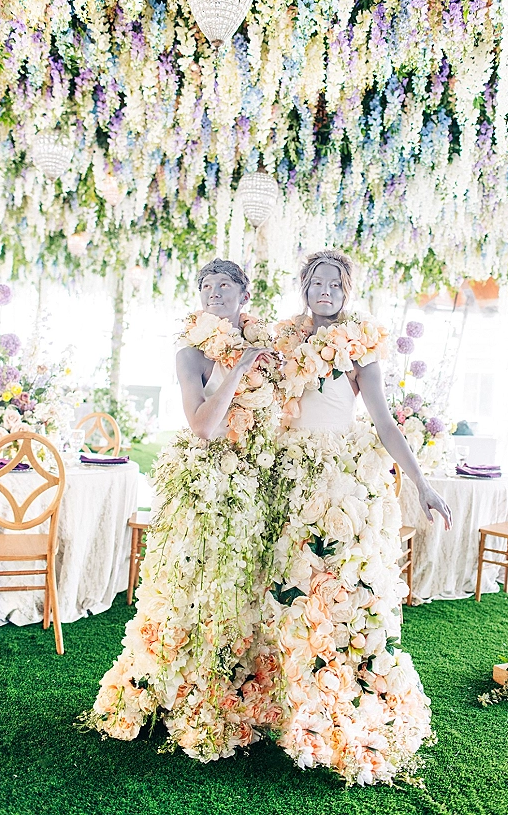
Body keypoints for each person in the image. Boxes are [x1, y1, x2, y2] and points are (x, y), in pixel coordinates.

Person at [82, 259, 284, 760]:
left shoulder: (268, 344)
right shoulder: (190, 352)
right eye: (205, 286)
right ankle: (178, 689)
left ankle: (238, 693)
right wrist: (238, 367)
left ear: (244, 294)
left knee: (244, 586)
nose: (213, 292)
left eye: (223, 285)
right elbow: (203, 426)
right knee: (196, 588)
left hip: (255, 478)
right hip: (208, 480)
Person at [267, 249, 452, 786]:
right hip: (287, 471)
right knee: (287, 588)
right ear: (303, 286)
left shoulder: (361, 344)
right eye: (315, 282)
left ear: (347, 291)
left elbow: (385, 422)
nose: (324, 291)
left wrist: (421, 482)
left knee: (339, 590)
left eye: (334, 284)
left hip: (339, 478)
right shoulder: (282, 338)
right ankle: (286, 697)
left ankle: (342, 698)